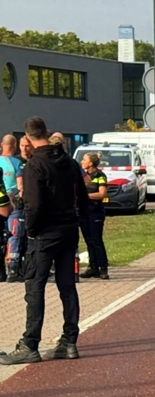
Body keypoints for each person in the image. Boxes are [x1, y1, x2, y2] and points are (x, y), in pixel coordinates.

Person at [0, 118, 89, 366]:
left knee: (35, 287)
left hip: (44, 234)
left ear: (27, 138)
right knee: (67, 286)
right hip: (68, 229)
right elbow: (82, 197)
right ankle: (69, 341)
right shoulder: (70, 162)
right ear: (47, 133)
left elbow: (34, 205)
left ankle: (30, 344)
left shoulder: (34, 166)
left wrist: (31, 231)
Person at [80, 153, 110, 280]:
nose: (81, 162)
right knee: (88, 240)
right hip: (83, 212)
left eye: (84, 160)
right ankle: (93, 267)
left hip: (95, 211)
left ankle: (103, 268)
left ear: (91, 163)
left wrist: (85, 197)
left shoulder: (99, 175)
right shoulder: (82, 176)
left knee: (96, 240)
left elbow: (102, 194)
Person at [0, 135, 24, 282]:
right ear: (14, 146)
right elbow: (20, 185)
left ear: (2, 145)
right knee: (14, 234)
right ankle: (13, 268)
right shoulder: (16, 162)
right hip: (11, 201)